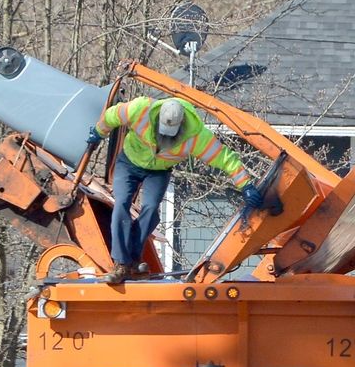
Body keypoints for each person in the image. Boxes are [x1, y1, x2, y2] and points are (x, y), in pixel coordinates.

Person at [87, 97, 264, 284]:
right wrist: (99, 131)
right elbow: (112, 115)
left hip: (159, 171)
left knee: (151, 209)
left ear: (181, 126)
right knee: (121, 205)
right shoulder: (139, 110)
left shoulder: (195, 137)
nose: (166, 138)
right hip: (129, 162)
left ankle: (133, 258)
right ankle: (122, 264)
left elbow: (224, 158)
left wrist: (245, 184)